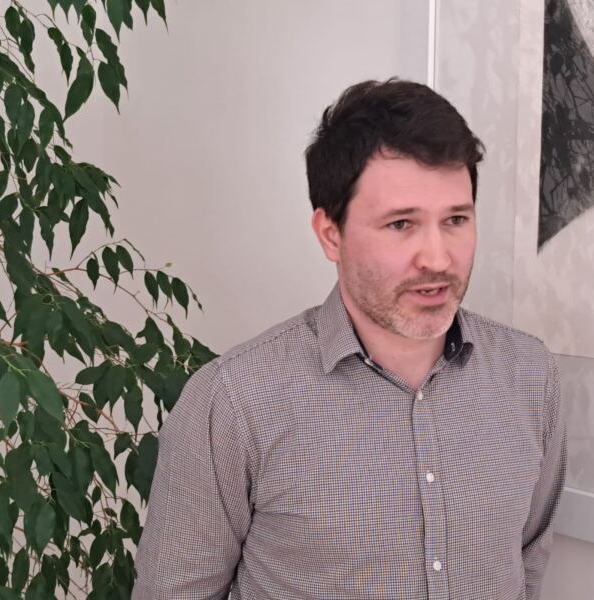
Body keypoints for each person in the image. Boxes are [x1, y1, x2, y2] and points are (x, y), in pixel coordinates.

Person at [133, 78, 566, 600]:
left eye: (456, 219)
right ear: (330, 234)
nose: (437, 258)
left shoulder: (531, 376)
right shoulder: (234, 400)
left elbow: (527, 562)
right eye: (401, 224)